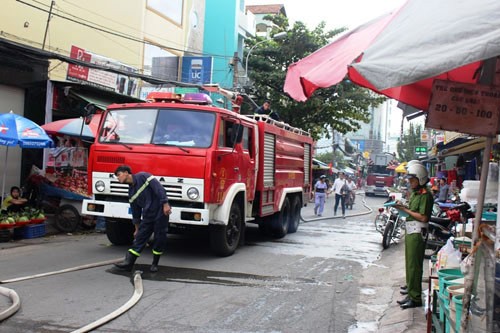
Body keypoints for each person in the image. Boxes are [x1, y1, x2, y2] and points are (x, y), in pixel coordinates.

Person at [114, 165, 172, 273]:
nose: (117, 178)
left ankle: (155, 264)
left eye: (118, 175)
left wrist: (165, 204)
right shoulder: (131, 193)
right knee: (140, 237)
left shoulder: (143, 176)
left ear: (126, 172)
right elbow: (135, 212)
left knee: (159, 237)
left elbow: (159, 189)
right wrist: (137, 228)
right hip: (148, 215)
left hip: (160, 211)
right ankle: (128, 263)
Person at [393, 163, 433, 309]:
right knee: (410, 265)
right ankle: (411, 292)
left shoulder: (426, 195)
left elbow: (423, 217)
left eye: (412, 180)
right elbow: (412, 211)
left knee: (415, 266)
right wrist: (402, 206)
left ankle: (415, 298)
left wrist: (406, 210)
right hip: (411, 231)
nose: (410, 183)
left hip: (418, 232)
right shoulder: (416, 193)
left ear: (420, 179)